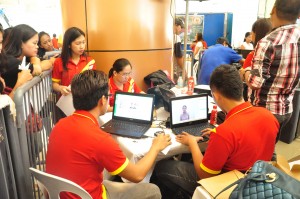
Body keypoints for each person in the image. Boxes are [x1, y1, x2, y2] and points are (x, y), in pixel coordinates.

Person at [151, 64, 279, 198]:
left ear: (216, 96)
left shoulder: (225, 132)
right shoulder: (268, 116)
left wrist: (192, 142)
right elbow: (251, 137)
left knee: (163, 167)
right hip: (257, 180)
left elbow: (205, 176)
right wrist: (220, 135)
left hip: (229, 186)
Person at [46, 69, 172, 199]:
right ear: (102, 100)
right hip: (92, 195)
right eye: (109, 96)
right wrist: (155, 147)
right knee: (153, 190)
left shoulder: (59, 125)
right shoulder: (100, 139)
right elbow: (137, 175)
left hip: (62, 194)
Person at [240, 0, 300, 143]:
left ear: (273, 9)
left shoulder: (268, 42)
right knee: (269, 149)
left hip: (264, 111)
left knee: (256, 154)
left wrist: (245, 72)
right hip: (286, 109)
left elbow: (255, 82)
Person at [52, 27, 96, 97]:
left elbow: (93, 82)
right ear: (69, 45)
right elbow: (54, 84)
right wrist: (61, 88)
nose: (82, 46)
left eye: (83, 42)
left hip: (85, 101)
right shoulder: (59, 62)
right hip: (66, 101)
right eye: (78, 43)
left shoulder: (90, 61)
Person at [173, 18, 184, 83]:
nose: (181, 30)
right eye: (181, 27)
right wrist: (184, 71)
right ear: (176, 25)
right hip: (173, 70)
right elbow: (179, 57)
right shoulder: (176, 38)